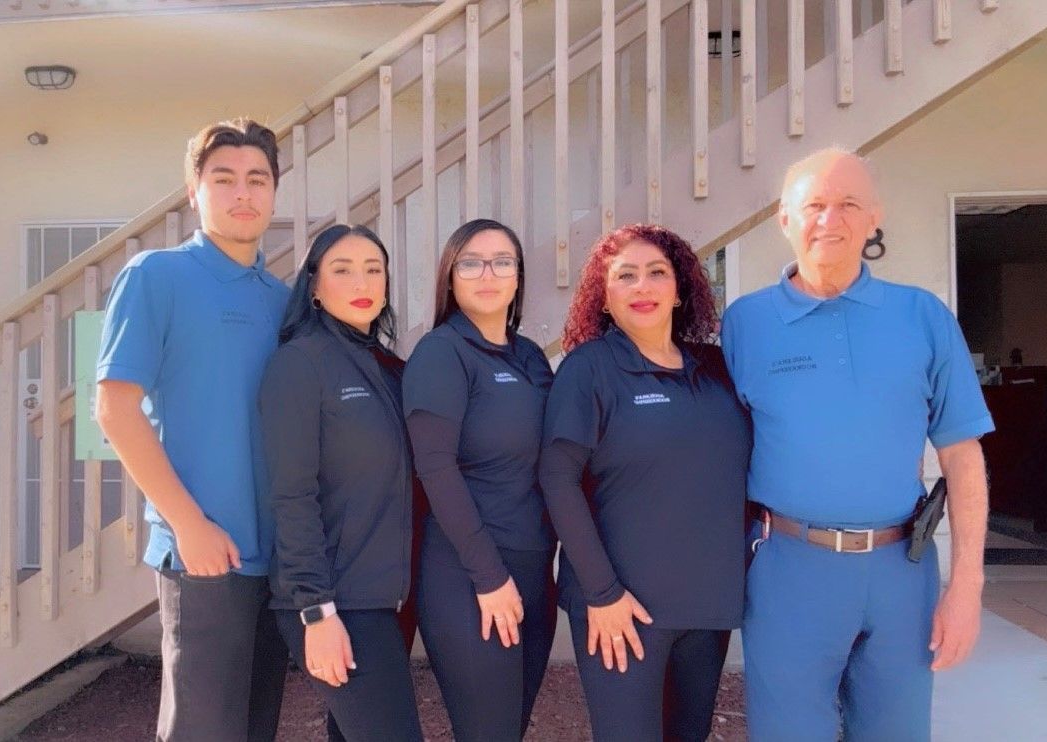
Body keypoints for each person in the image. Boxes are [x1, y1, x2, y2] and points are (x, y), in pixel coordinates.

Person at [722, 148, 993, 741]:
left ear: (875, 217)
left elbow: (962, 456)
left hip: (902, 572)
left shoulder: (922, 315)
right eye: (814, 205)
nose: (830, 220)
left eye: (848, 204)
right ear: (785, 219)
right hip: (790, 569)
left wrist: (967, 586)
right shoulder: (745, 323)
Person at [95, 119, 290, 741]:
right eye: (223, 178)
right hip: (204, 552)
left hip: (280, 555)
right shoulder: (157, 276)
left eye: (257, 179)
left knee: (257, 727)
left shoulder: (283, 299)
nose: (243, 193)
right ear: (194, 192)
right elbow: (115, 409)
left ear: (274, 192)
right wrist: (187, 524)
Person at [538, 224, 751, 741]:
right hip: (623, 610)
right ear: (605, 297)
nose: (643, 287)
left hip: (707, 603)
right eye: (625, 276)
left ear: (680, 290)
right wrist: (601, 593)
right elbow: (557, 478)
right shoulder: (589, 369)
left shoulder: (718, 368)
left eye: (657, 273)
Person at [258, 224, 423, 741]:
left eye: (374, 269)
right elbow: (291, 495)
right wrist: (316, 612)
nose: (362, 282)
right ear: (313, 286)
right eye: (343, 269)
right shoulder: (300, 362)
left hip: (383, 598)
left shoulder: (384, 366)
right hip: (337, 603)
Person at [402, 219, 557, 741]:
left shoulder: (531, 357)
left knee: (508, 729)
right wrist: (488, 577)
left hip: (536, 568)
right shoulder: (441, 353)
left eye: (502, 261)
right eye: (471, 261)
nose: (487, 273)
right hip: (468, 574)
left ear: (518, 278)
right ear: (450, 276)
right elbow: (435, 470)